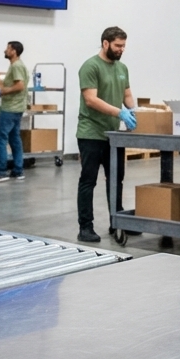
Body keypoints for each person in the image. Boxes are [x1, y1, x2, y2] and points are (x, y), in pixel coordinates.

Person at [76, 27, 136, 243]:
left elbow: (126, 93)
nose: (121, 50)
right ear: (105, 43)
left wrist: (133, 111)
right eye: (118, 46)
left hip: (113, 135)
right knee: (88, 180)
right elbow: (91, 99)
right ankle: (85, 227)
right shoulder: (90, 66)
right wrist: (119, 112)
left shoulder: (122, 68)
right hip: (91, 133)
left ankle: (117, 221)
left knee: (116, 179)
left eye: (123, 46)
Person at [0, 41, 28, 184]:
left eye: (8, 48)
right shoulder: (17, 66)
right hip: (16, 107)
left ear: (14, 51)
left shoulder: (16, 66)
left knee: (0, 138)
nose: (5, 50)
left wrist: (1, 92)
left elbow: (20, 85)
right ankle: (18, 170)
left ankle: (1, 171)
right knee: (14, 138)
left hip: (10, 108)